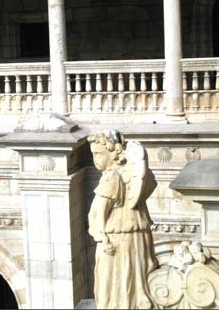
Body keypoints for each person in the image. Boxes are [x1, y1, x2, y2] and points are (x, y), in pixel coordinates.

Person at [88, 130, 158, 309]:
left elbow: (99, 210)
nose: (95, 159)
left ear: (113, 154)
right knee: (133, 275)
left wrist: (101, 236)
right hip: (132, 234)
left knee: (115, 279)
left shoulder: (111, 178)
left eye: (98, 154)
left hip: (117, 237)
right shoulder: (126, 174)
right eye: (93, 154)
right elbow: (149, 183)